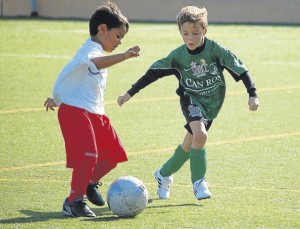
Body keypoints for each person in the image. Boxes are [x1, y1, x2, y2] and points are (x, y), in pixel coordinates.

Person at [118, 6, 259, 201]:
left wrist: (252, 94)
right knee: (200, 136)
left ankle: (163, 174)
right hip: (190, 99)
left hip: (212, 105)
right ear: (180, 33)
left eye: (195, 33)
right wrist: (130, 92)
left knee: (190, 144)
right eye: (185, 34)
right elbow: (152, 73)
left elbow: (241, 69)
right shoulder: (178, 57)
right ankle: (199, 183)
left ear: (205, 31)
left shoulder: (216, 51)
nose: (190, 38)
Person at [44, 1, 140, 217]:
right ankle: (73, 201)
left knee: (114, 155)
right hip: (76, 112)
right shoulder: (90, 50)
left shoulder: (96, 51)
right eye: (117, 36)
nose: (119, 42)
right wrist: (124, 55)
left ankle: (89, 184)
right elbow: (95, 64)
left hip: (94, 112)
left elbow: (73, 76)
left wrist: (57, 96)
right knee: (88, 156)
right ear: (103, 29)